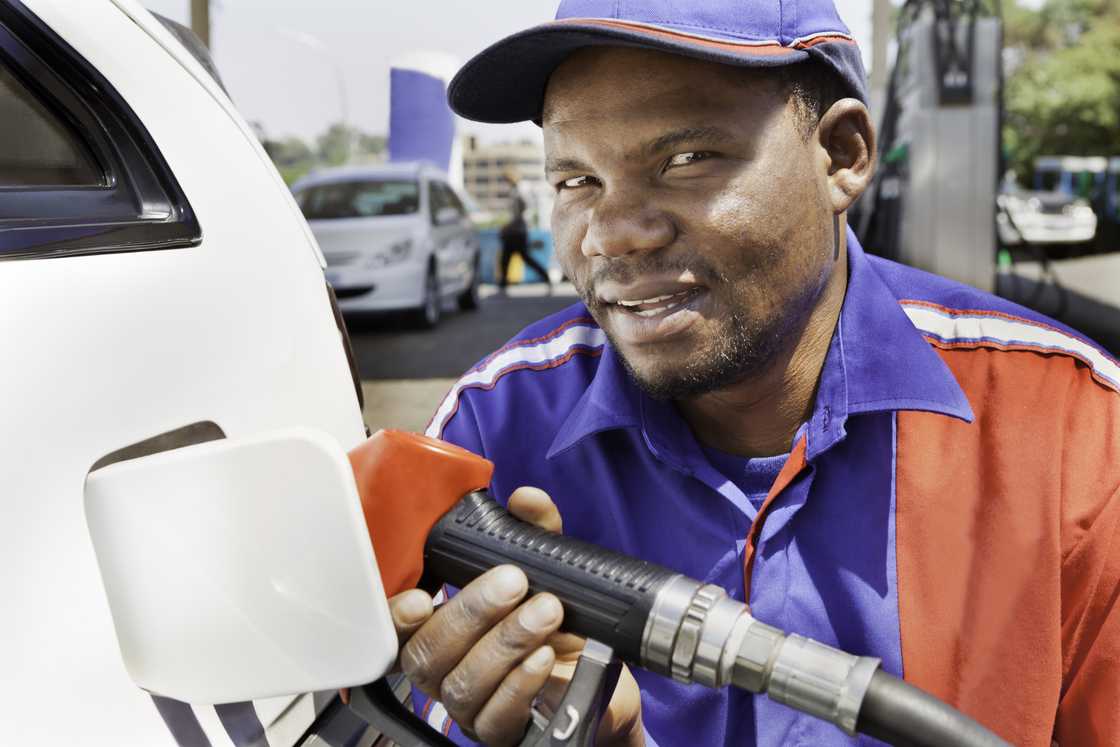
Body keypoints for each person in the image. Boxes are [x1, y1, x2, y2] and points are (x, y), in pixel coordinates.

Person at [379, 2, 1120, 745]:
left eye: (685, 160)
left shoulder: (1071, 431)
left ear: (842, 155)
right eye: (577, 180)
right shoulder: (495, 429)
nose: (612, 233)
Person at [498, 173, 552, 291]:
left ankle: (545, 276)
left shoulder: (519, 192)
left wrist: (509, 226)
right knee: (507, 258)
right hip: (515, 230)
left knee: (523, 258)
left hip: (517, 231)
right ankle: (503, 282)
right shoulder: (515, 192)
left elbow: (522, 212)